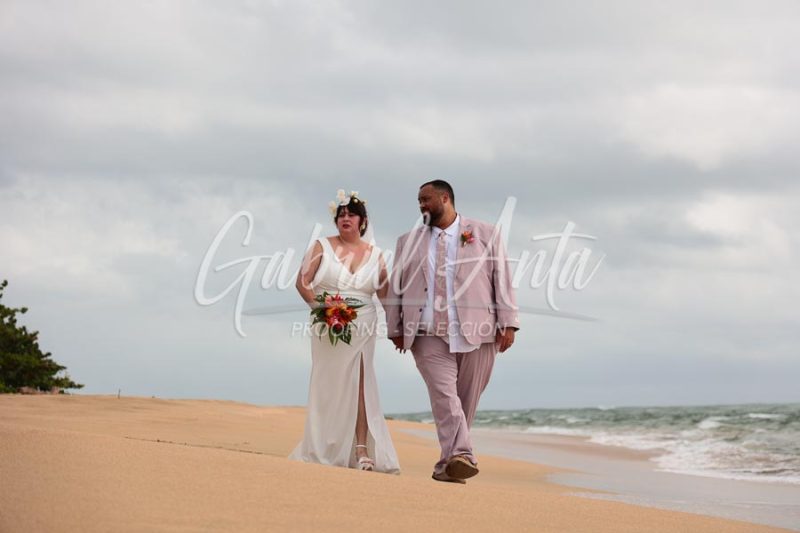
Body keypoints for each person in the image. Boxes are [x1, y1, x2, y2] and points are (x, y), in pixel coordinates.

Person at [385, 180, 519, 483]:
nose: (421, 205)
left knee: (465, 401)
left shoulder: (485, 233)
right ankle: (463, 454)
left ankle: (448, 464)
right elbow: (395, 288)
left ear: (445, 199)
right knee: (445, 397)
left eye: (426, 199)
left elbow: (503, 279)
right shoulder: (408, 241)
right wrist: (394, 327)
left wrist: (508, 322)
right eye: (419, 200)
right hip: (426, 332)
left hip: (479, 332)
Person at [289, 190, 401, 474]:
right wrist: (322, 309)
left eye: (351, 215)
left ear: (362, 221)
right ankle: (326, 443)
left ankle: (361, 448)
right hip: (328, 324)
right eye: (341, 215)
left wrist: (398, 328)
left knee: (362, 382)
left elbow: (387, 295)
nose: (345, 219)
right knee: (330, 384)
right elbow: (303, 283)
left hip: (363, 323)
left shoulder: (376, 255)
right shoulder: (320, 247)